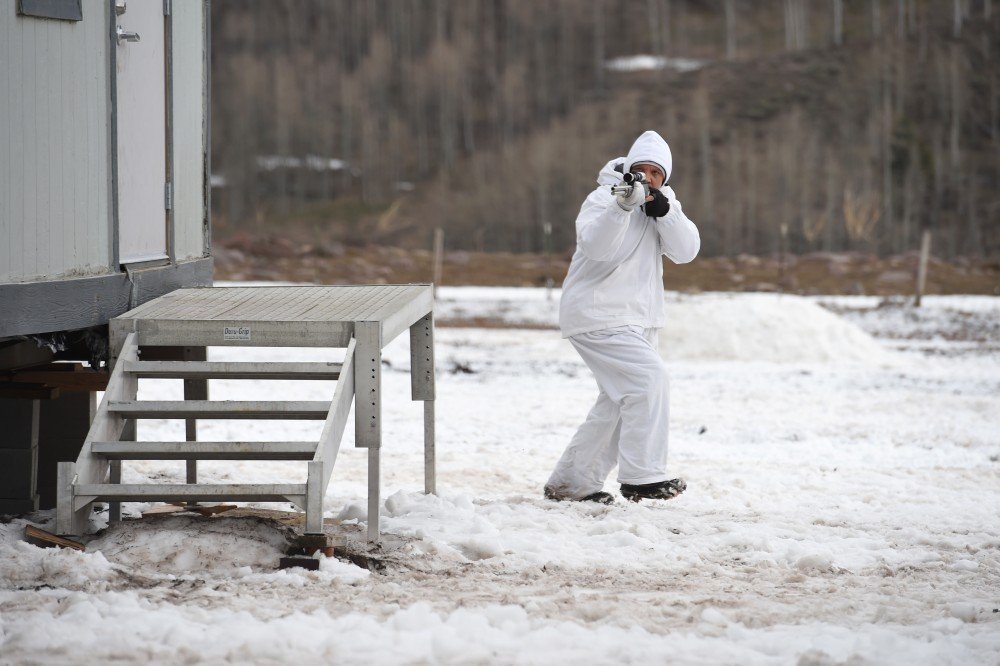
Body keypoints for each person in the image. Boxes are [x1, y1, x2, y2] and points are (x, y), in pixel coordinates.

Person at [544, 130, 700, 504]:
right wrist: (622, 207)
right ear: (629, 170)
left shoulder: (664, 205)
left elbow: (687, 251)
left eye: (656, 172)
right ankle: (641, 475)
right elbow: (597, 249)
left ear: (665, 177)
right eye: (641, 170)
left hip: (640, 320)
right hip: (599, 314)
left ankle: (571, 484)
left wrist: (665, 213)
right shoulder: (602, 200)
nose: (648, 178)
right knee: (649, 380)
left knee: (617, 403)